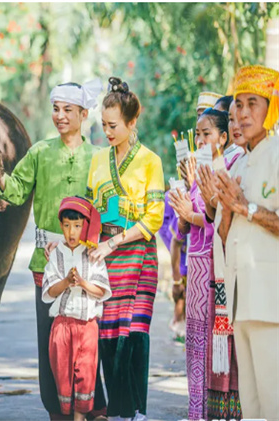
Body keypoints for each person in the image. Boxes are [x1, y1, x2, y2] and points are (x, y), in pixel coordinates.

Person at [0, 79, 103, 420]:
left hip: (88, 264)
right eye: (55, 109)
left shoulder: (99, 158)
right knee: (52, 339)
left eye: (67, 110)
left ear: (84, 114)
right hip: (47, 263)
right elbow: (14, 191)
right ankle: (56, 408)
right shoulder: (40, 152)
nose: (59, 116)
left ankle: (95, 405)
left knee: (89, 338)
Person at [86, 77, 164, 421]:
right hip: (105, 255)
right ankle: (118, 408)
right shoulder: (98, 160)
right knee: (108, 332)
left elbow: (154, 218)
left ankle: (137, 409)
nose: (107, 131)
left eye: (114, 125)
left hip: (139, 255)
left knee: (134, 331)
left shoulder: (151, 161)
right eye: (103, 125)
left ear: (132, 123)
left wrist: (113, 241)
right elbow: (91, 210)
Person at [215, 64, 279, 419]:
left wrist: (247, 207)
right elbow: (225, 238)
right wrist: (224, 207)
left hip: (272, 301)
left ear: (271, 107)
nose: (241, 112)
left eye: (252, 102)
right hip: (242, 300)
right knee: (251, 406)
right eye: (238, 104)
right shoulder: (238, 164)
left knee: (275, 402)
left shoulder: (278, 154)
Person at [169, 107, 237, 420]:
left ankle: (213, 412)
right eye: (197, 134)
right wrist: (183, 198)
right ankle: (196, 411)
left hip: (214, 268)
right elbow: (182, 230)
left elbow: (215, 223)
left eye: (206, 133)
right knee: (195, 343)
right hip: (194, 266)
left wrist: (189, 213)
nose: (199, 140)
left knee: (213, 343)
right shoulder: (198, 175)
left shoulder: (226, 171)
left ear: (223, 137)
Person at [42, 197, 111, 421]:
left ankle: (79, 418)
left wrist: (81, 282)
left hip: (87, 326)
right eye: (67, 226)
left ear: (85, 226)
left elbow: (101, 290)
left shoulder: (93, 254)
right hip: (62, 326)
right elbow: (50, 292)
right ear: (61, 225)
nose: (72, 232)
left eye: (78, 226)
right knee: (63, 375)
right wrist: (65, 282)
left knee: (86, 374)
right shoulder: (55, 255)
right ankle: (70, 415)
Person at [159, 192, 187, 341]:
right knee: (182, 279)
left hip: (180, 241)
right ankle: (178, 320)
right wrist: (176, 281)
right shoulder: (182, 196)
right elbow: (176, 242)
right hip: (177, 240)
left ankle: (178, 320)